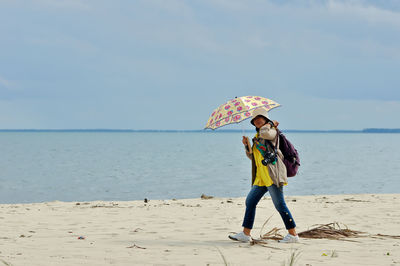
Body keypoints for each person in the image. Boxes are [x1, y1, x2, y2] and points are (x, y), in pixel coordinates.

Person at [229, 107, 299, 243]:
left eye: (260, 118)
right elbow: (253, 158)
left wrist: (270, 124)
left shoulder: (272, 132)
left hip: (272, 175)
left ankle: (293, 234)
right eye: (254, 119)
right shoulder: (257, 138)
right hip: (261, 178)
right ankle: (245, 233)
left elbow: (266, 133)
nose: (257, 121)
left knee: (280, 205)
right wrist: (246, 145)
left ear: (265, 119)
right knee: (250, 201)